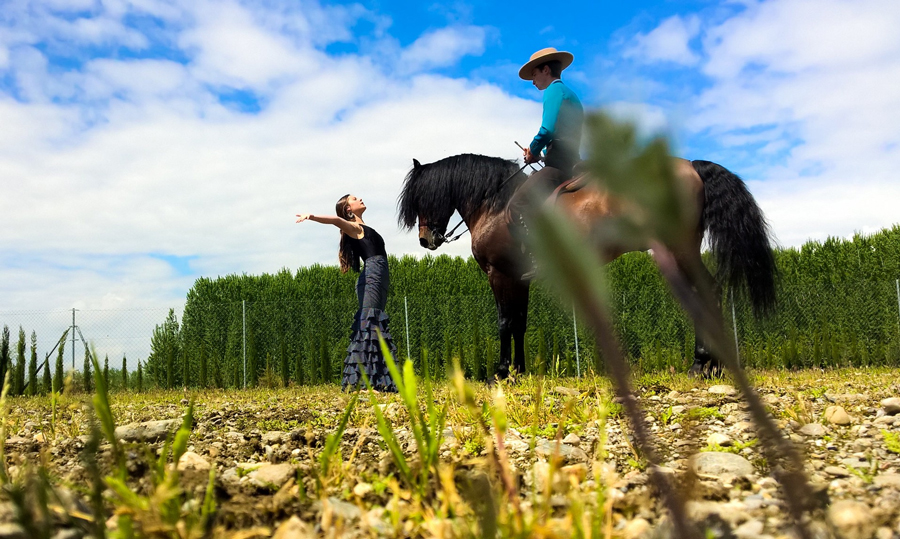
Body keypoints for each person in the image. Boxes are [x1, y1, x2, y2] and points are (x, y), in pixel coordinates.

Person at [295, 195, 398, 393]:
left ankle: (375, 381)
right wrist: (312, 216)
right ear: (349, 209)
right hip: (372, 275)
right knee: (369, 325)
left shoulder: (363, 227)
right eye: (354, 199)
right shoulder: (354, 227)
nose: (360, 199)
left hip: (378, 275)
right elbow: (336, 220)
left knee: (374, 325)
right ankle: (365, 383)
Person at [508, 47, 584, 279]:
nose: (532, 81)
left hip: (558, 167)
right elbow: (563, 138)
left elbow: (547, 130)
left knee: (516, 204)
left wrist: (532, 150)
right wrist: (540, 156)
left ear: (546, 70)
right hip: (569, 161)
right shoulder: (570, 94)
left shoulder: (554, 90)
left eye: (534, 74)